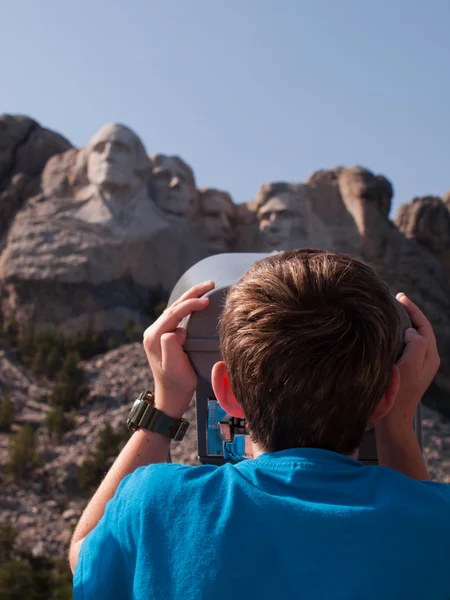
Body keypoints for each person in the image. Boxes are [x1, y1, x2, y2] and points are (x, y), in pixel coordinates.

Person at [69, 249, 449, 600]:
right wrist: (397, 424)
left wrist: (164, 409)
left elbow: (84, 560)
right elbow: (424, 541)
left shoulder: (153, 504)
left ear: (226, 392)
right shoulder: (439, 521)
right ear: (387, 396)